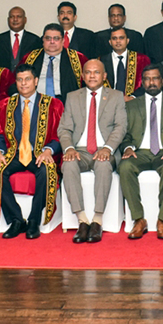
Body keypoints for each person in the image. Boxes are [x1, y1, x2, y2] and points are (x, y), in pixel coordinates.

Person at [0, 64, 64, 239]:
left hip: (39, 154)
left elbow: (61, 134)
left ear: (36, 81)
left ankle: (34, 220)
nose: (23, 84)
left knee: (46, 170)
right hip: (13, 153)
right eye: (20, 80)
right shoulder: (5, 105)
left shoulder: (53, 104)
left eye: (28, 79)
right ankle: (16, 219)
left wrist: (48, 151)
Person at [58, 60, 128, 244]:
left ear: (104, 76)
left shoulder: (116, 96)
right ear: (82, 76)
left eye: (96, 72)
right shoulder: (73, 97)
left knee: (103, 165)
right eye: (88, 72)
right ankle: (82, 220)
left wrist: (108, 148)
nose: (91, 76)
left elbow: (121, 127)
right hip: (79, 150)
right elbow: (64, 129)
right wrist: (70, 148)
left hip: (105, 149)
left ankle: (97, 220)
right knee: (68, 164)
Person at [119, 65, 163, 240]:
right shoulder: (131, 105)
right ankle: (138, 219)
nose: (151, 82)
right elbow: (124, 134)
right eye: (148, 79)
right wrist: (127, 148)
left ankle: (162, 220)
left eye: (155, 78)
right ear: (142, 82)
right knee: (125, 166)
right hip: (139, 152)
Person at [23, 23, 87, 101]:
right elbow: (15, 82)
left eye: (56, 38)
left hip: (66, 104)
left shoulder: (77, 58)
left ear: (63, 40)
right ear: (43, 40)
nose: (52, 42)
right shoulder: (31, 57)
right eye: (48, 38)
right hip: (35, 103)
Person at [100, 27, 151, 100]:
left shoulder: (142, 60)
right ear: (110, 42)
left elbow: (147, 82)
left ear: (127, 41)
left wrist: (132, 97)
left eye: (121, 38)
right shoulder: (100, 61)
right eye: (114, 38)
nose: (118, 41)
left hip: (134, 102)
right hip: (107, 102)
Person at [0, 6, 41, 71]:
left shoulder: (35, 40)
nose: (15, 19)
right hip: (3, 79)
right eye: (12, 17)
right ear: (8, 20)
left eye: (19, 16)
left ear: (25, 20)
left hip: (26, 79)